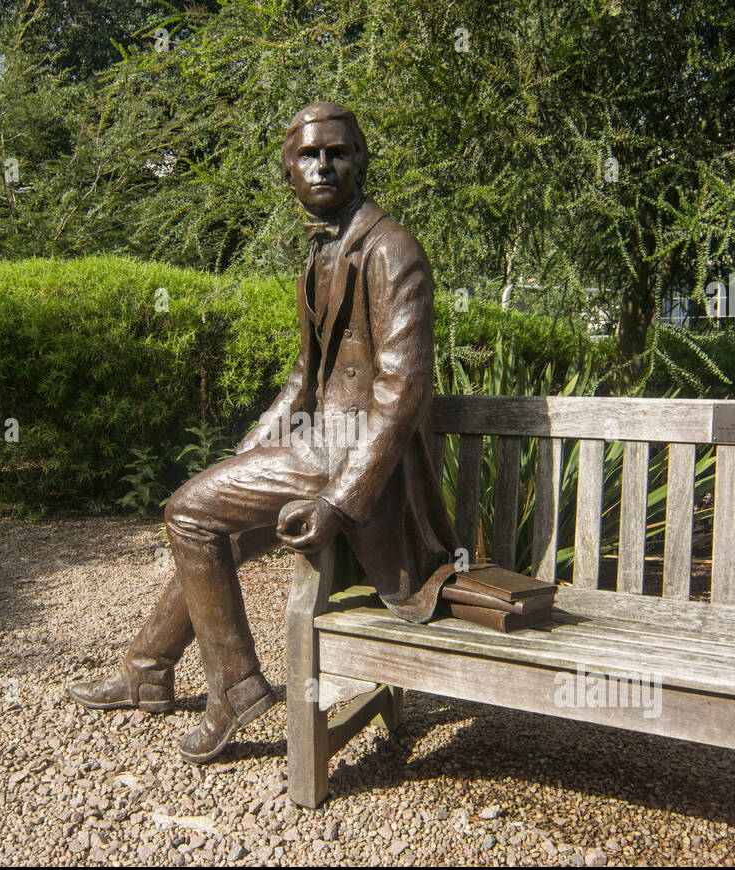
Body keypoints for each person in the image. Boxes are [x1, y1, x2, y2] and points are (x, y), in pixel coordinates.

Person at [68, 102, 459, 763]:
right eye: (308, 155)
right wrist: (257, 440)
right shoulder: (320, 256)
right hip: (316, 440)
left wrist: (338, 501)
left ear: (360, 162)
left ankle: (236, 687)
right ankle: (149, 669)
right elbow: (303, 379)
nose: (323, 165)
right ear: (289, 173)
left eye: (337, 151)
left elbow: (401, 394)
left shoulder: (391, 251)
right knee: (223, 526)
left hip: (351, 458)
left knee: (188, 512)